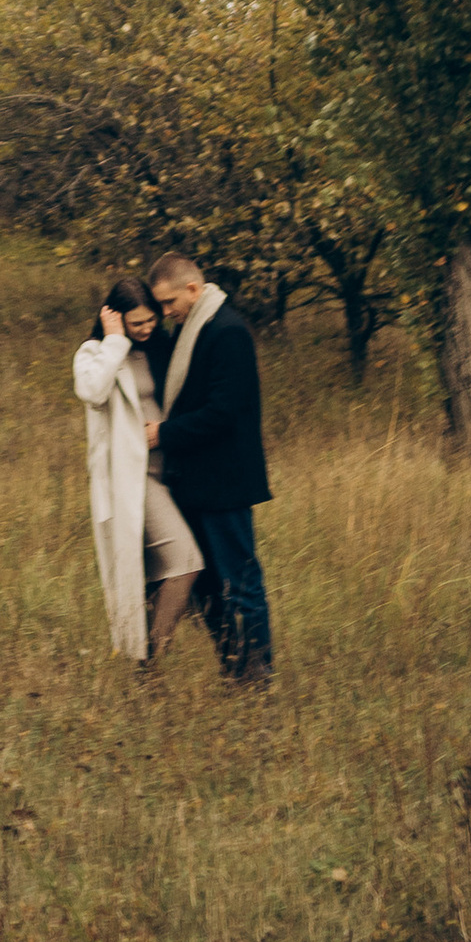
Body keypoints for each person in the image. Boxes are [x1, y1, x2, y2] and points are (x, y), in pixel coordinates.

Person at [147, 250, 272, 684]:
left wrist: (164, 434)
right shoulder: (190, 329)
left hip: (226, 482)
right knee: (207, 586)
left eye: (169, 302)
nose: (165, 312)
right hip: (195, 482)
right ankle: (234, 668)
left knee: (241, 581)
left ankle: (258, 674)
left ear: (192, 289)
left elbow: (224, 413)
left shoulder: (227, 331)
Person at [70, 277, 203, 664]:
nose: (146, 328)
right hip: (134, 479)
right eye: (136, 323)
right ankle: (151, 663)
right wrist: (115, 341)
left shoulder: (160, 348)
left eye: (150, 320)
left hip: (169, 473)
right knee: (186, 562)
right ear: (115, 318)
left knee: (155, 574)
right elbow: (91, 391)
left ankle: (144, 662)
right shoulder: (95, 353)